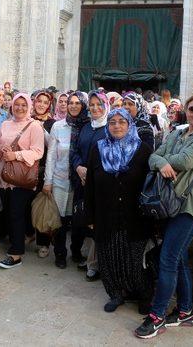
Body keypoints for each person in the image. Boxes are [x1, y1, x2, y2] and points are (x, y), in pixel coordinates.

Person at [135, 93, 193, 339]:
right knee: (179, 259)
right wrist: (161, 163)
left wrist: (164, 161)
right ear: (187, 110)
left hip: (191, 206)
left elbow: (186, 160)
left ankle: (157, 315)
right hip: (171, 202)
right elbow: (152, 156)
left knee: (168, 258)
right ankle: (184, 311)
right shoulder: (176, 133)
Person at [85, 108, 153, 313]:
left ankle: (143, 295)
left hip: (135, 216)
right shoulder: (98, 149)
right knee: (109, 256)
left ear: (129, 125)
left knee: (135, 259)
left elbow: (150, 184)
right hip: (105, 214)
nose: (116, 126)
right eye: (112, 122)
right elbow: (89, 185)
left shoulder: (142, 150)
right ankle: (116, 292)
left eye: (121, 122)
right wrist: (90, 215)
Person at [0, 93, 44, 269]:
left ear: (29, 106)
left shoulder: (34, 126)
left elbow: (38, 152)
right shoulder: (5, 123)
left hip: (21, 177)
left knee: (16, 213)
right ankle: (22, 237)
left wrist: (16, 155)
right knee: (9, 211)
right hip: (3, 175)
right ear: (12, 106)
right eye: (16, 104)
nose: (20, 108)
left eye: (23, 105)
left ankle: (16, 253)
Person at [42, 90, 88, 268]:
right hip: (60, 180)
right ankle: (60, 253)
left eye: (78, 103)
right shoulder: (58, 126)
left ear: (83, 105)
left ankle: (76, 251)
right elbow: (52, 155)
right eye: (71, 103)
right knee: (59, 220)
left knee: (78, 220)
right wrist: (48, 181)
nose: (74, 106)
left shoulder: (88, 126)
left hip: (80, 183)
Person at [70, 90, 109, 281]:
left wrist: (92, 175)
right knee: (84, 219)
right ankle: (89, 258)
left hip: (101, 185)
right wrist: (78, 167)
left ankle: (96, 264)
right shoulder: (86, 127)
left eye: (98, 105)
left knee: (98, 222)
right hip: (82, 181)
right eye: (92, 105)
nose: (94, 108)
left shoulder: (111, 127)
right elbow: (75, 151)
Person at [29, 90, 56, 257]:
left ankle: (44, 243)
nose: (41, 105)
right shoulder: (27, 119)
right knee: (26, 204)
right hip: (26, 169)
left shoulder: (53, 123)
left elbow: (52, 146)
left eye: (45, 102)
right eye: (39, 101)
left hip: (43, 169)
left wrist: (41, 129)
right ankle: (28, 234)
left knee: (42, 207)